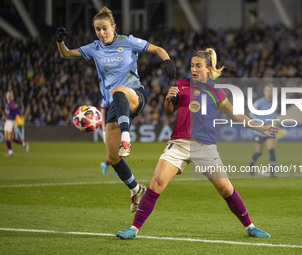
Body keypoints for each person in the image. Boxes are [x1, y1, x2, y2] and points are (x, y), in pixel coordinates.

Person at [116, 48, 278, 239]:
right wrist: (169, 99)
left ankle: (250, 227)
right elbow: (168, 111)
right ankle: (134, 229)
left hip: (205, 146)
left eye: (198, 66)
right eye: (192, 65)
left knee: (226, 189)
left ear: (208, 69)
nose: (193, 69)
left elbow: (236, 115)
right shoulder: (181, 85)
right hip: (179, 143)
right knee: (157, 183)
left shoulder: (217, 92)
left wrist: (261, 128)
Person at [56, 6, 176, 212]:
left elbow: (156, 48)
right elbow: (66, 54)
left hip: (134, 95)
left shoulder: (127, 41)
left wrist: (167, 60)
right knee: (112, 157)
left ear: (113, 27)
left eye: (104, 28)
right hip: (113, 104)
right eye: (97, 30)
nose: (101, 33)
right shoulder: (94, 48)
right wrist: (59, 41)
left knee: (119, 90)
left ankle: (126, 139)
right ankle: (136, 189)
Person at [248, 85, 278, 178]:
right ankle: (251, 165)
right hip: (259, 130)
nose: (269, 92)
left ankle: (272, 173)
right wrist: (262, 122)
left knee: (272, 151)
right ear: (264, 92)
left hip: (270, 130)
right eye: (268, 90)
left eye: (271, 91)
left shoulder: (274, 103)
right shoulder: (259, 102)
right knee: (259, 153)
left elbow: (274, 116)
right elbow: (251, 114)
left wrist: (276, 122)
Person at [4, 91, 29, 156]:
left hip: (12, 122)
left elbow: (18, 113)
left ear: (11, 96)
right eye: (7, 95)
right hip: (7, 121)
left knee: (10, 138)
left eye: (9, 95)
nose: (7, 96)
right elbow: (7, 113)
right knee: (6, 137)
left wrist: (10, 113)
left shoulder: (13, 104)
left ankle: (23, 144)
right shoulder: (7, 104)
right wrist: (6, 115)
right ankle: (11, 152)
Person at [99, 99, 118, 177]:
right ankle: (116, 170)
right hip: (110, 126)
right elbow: (102, 110)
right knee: (115, 150)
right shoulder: (107, 97)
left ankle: (107, 165)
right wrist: (103, 126)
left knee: (118, 149)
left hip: (118, 125)